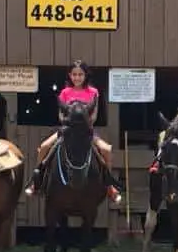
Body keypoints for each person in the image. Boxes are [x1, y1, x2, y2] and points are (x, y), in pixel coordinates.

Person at [24, 60, 122, 203]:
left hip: (86, 132)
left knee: (106, 150)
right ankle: (37, 181)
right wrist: (69, 125)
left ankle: (109, 186)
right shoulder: (65, 92)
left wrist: (84, 125)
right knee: (44, 147)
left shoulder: (93, 92)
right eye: (74, 74)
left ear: (85, 75)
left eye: (80, 74)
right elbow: (61, 115)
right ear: (70, 75)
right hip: (67, 130)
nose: (77, 77)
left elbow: (93, 115)